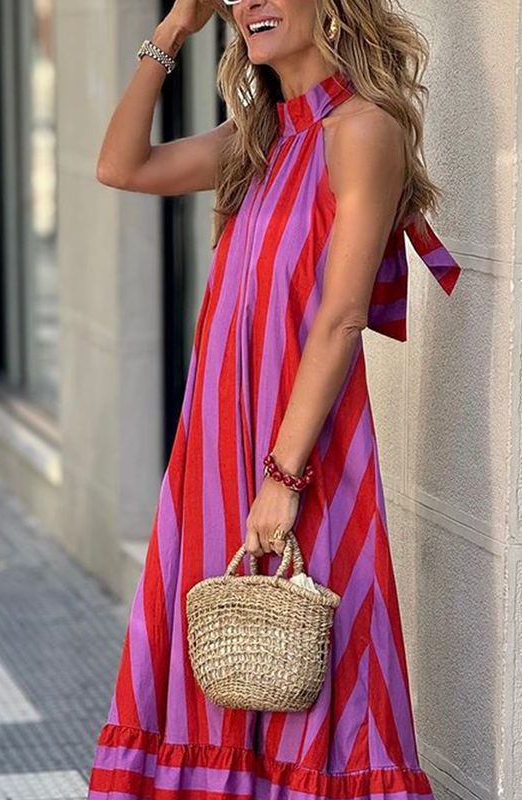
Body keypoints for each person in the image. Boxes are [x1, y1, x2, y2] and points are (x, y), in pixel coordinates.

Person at [87, 0, 461, 797]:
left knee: (323, 675)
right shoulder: (258, 139)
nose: (249, 0)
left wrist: (282, 478)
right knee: (221, 665)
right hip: (216, 446)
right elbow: (121, 166)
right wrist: (171, 32)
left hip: (301, 451)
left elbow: (340, 317)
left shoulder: (360, 129)